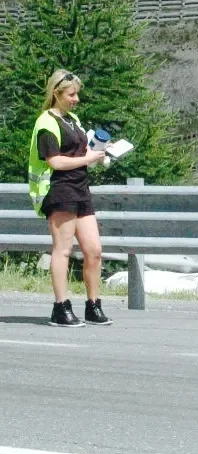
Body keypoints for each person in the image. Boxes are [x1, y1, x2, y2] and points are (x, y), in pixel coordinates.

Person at [27, 69, 111, 327]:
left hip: (80, 189)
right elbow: (54, 160)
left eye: (77, 94)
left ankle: (93, 305)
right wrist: (87, 159)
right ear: (56, 94)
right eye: (71, 94)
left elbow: (80, 150)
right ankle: (60, 307)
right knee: (63, 250)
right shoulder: (46, 123)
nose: (76, 99)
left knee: (94, 250)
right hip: (59, 189)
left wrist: (99, 153)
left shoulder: (72, 119)